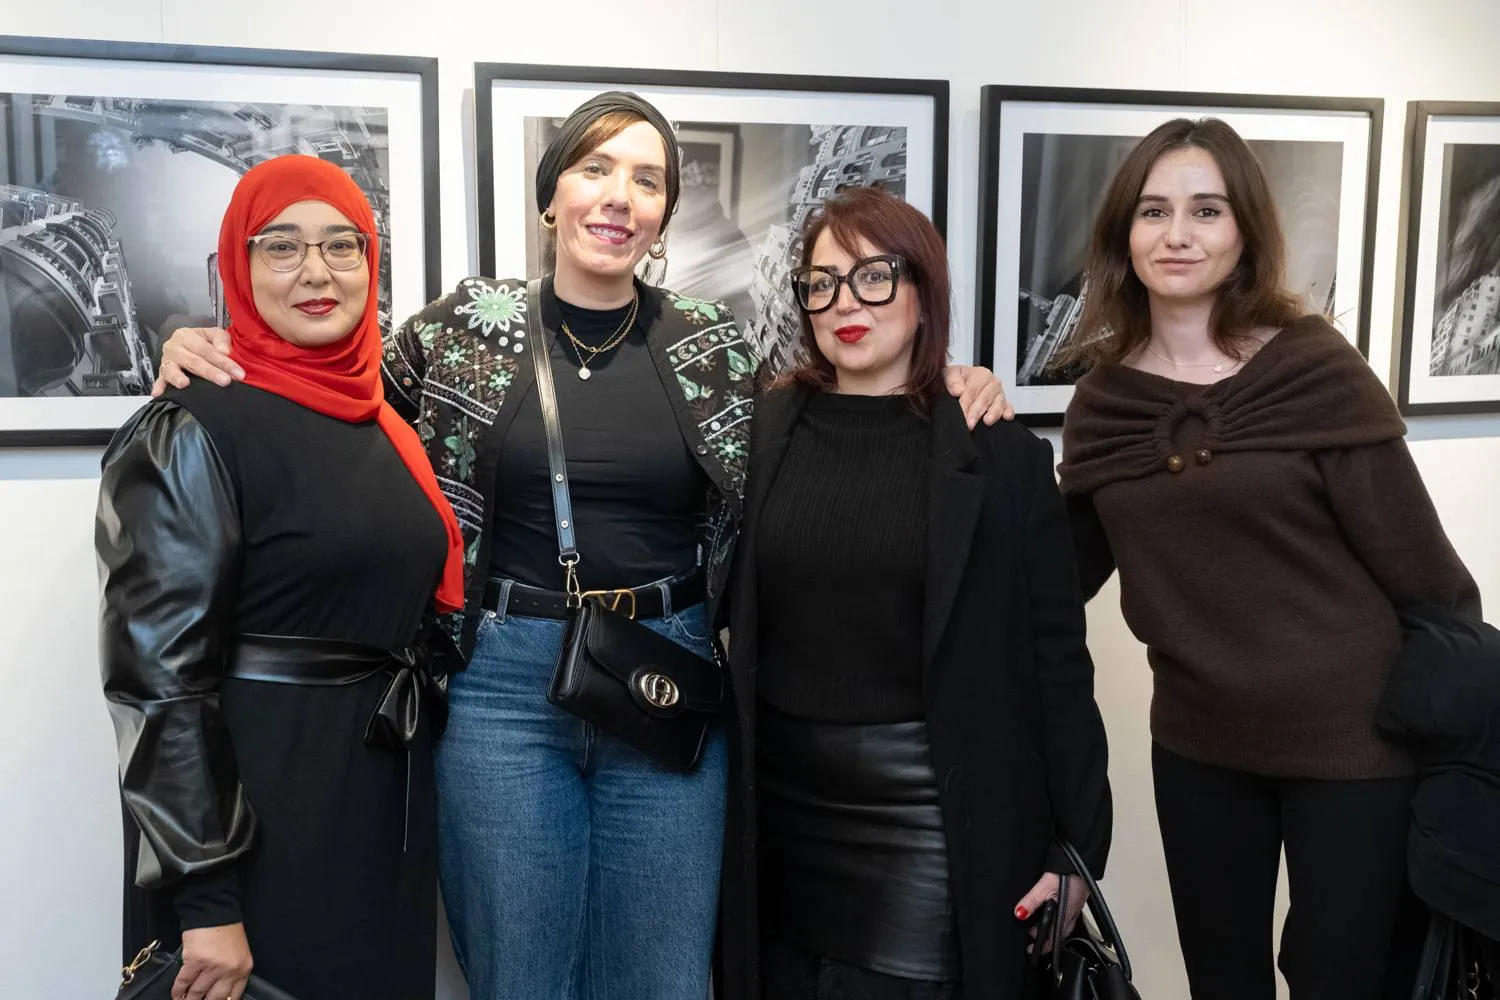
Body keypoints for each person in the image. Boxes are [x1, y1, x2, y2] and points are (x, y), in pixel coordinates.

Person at [150, 93, 1009, 1000]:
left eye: (648, 181)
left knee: (666, 979)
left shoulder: (712, 344)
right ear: (551, 196)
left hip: (667, 677)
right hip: (501, 694)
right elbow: (335, 394)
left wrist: (947, 379)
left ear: (664, 215)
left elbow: (830, 415)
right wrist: (206, 342)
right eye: (595, 168)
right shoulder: (462, 327)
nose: (619, 197)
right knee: (523, 977)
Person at [1050, 117, 1482, 999]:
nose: (1177, 234)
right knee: (1222, 983)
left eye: (1206, 210)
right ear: (1123, 235)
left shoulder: (1313, 370)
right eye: (1153, 211)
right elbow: (1049, 580)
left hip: (1355, 746)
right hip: (1199, 746)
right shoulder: (1105, 402)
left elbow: (1433, 585)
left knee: (1339, 982)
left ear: (1245, 231)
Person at [713, 186, 1112, 1000]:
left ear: (924, 290)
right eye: (822, 283)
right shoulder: (763, 429)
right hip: (780, 811)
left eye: (873, 277)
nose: (844, 303)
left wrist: (1076, 845)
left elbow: (1057, 662)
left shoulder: (1000, 456)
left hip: (930, 814)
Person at [97, 154, 465, 1000]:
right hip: (258, 828)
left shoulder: (383, 422)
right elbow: (158, 683)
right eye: (282, 246)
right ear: (237, 264)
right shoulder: (189, 428)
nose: (316, 272)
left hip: (377, 813)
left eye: (342, 245)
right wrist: (206, 899)